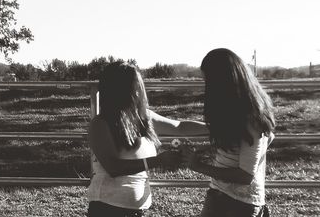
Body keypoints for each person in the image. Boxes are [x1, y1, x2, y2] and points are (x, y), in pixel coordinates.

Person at [87, 61, 207, 217]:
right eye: (134, 86)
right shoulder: (100, 124)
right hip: (107, 209)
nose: (139, 91)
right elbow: (113, 167)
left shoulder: (144, 117)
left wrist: (217, 128)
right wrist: (158, 160)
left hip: (137, 211)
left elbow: (179, 126)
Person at [182, 48, 275, 217]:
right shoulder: (235, 113)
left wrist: (198, 166)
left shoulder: (251, 118)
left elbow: (245, 175)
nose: (207, 88)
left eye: (208, 81)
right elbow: (263, 141)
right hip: (220, 195)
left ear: (222, 82)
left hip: (241, 204)